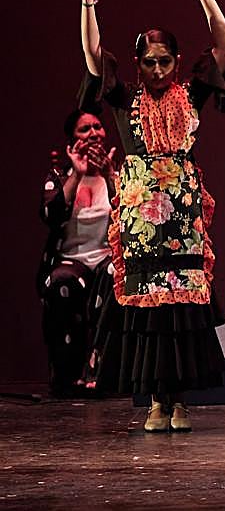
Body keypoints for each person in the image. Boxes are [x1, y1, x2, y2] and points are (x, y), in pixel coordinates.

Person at [57, 0, 225, 432]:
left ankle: (179, 400)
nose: (157, 69)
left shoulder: (190, 94)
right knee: (148, 310)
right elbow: (95, 59)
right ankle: (156, 401)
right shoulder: (123, 99)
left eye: (165, 61)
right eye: (149, 62)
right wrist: (89, 1)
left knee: (181, 308)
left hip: (181, 216)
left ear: (177, 61)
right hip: (141, 219)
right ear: (138, 64)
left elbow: (224, 47)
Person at [38, 108, 118, 395]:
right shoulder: (60, 175)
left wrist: (109, 175)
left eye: (97, 127)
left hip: (106, 256)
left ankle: (100, 370)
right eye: (85, 129)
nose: (93, 134)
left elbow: (129, 213)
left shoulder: (115, 171)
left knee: (114, 274)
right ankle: (67, 376)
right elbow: (51, 215)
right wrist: (78, 174)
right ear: (72, 138)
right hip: (72, 259)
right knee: (62, 282)